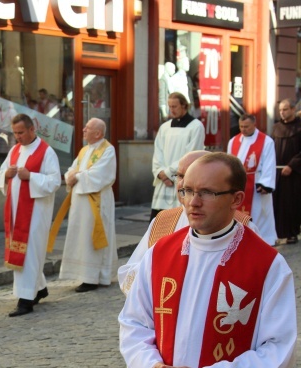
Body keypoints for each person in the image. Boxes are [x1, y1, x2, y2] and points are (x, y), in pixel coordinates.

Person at [119, 152, 296, 368]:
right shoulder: (159, 254)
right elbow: (134, 322)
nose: (193, 202)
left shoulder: (266, 265)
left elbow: (278, 348)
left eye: (207, 193)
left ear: (236, 200)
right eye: (188, 190)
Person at [118, 150, 255, 296]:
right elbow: (129, 275)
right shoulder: (162, 221)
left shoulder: (243, 226)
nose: (182, 184)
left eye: (191, 175)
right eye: (180, 176)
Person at [0, 114, 61, 317]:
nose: (17, 137)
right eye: (15, 133)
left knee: (30, 253)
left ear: (32, 130)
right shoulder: (15, 150)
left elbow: (54, 181)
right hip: (16, 211)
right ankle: (39, 289)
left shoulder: (46, 152)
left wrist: (30, 177)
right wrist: (6, 175)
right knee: (28, 253)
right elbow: (3, 172)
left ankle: (25, 301)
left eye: (21, 132)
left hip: (36, 213)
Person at [56, 118, 117, 292]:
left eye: (87, 128)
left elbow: (102, 174)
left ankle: (93, 277)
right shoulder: (84, 150)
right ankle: (82, 274)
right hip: (80, 202)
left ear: (98, 133)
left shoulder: (108, 150)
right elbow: (73, 169)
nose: (83, 130)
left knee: (92, 235)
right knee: (80, 235)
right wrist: (70, 175)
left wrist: (78, 177)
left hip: (97, 202)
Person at [150, 92, 205, 220]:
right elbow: (157, 153)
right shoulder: (164, 127)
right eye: (170, 106)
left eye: (174, 106)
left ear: (184, 106)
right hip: (163, 183)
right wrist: (160, 174)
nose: (171, 110)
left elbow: (191, 154)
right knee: (159, 223)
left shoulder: (196, 126)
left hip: (180, 180)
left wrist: (168, 173)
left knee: (178, 221)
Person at [227, 114, 277, 245]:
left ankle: (263, 242)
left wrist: (266, 183)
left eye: (246, 126)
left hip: (257, 184)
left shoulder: (266, 141)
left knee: (261, 214)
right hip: (239, 184)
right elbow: (229, 163)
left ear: (254, 125)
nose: (243, 129)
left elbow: (269, 163)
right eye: (241, 126)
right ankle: (240, 240)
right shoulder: (233, 141)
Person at [272, 98, 301, 244]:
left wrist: (292, 165)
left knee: (291, 203)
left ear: (293, 109)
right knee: (276, 203)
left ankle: (292, 233)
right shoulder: (276, 127)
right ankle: (276, 232)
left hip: (294, 173)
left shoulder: (299, 127)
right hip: (276, 171)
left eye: (285, 109)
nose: (282, 113)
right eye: (280, 110)